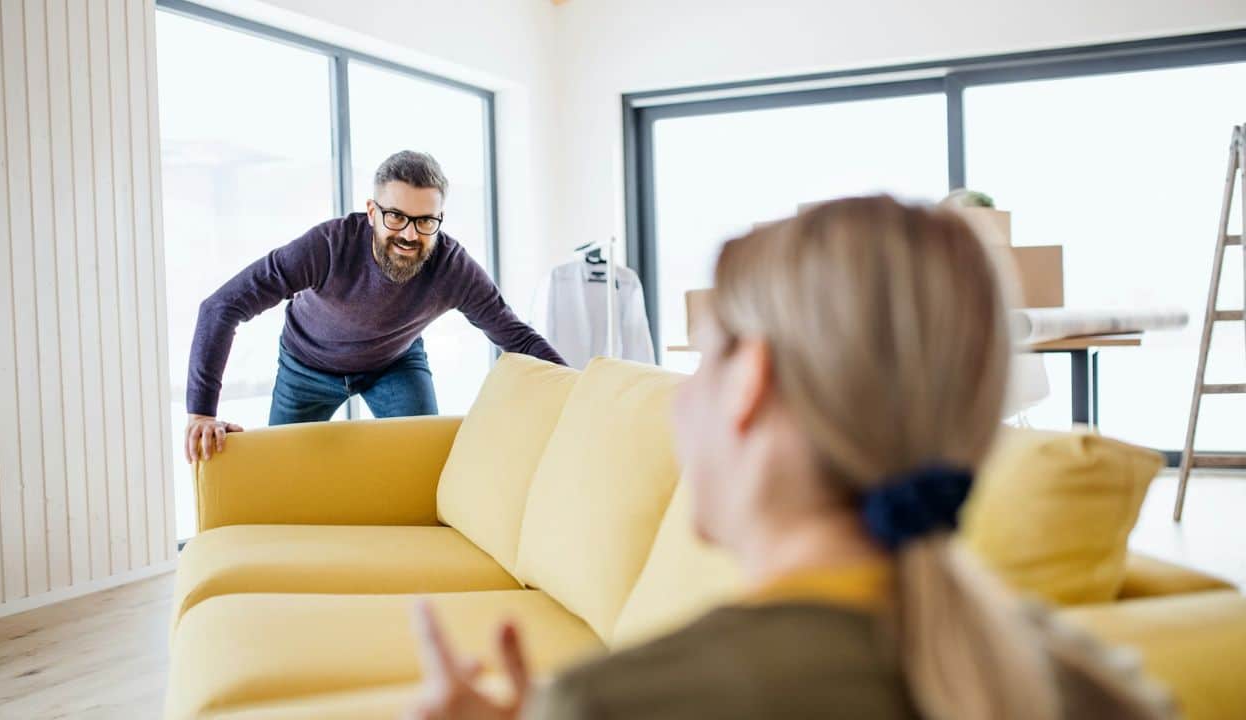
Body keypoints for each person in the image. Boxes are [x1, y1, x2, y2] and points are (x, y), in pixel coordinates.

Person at [406, 196, 1174, 720]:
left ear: (751, 381)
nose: (680, 403)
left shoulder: (613, 703)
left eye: (703, 361)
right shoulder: (1099, 684)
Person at [184, 150, 564, 463]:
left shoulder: (452, 268)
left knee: (427, 465)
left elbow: (518, 338)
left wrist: (581, 390)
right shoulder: (327, 247)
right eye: (396, 216)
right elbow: (221, 307)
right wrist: (201, 413)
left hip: (394, 363)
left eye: (425, 221)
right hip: (306, 365)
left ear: (439, 219)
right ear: (371, 211)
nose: (409, 234)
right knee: (282, 472)